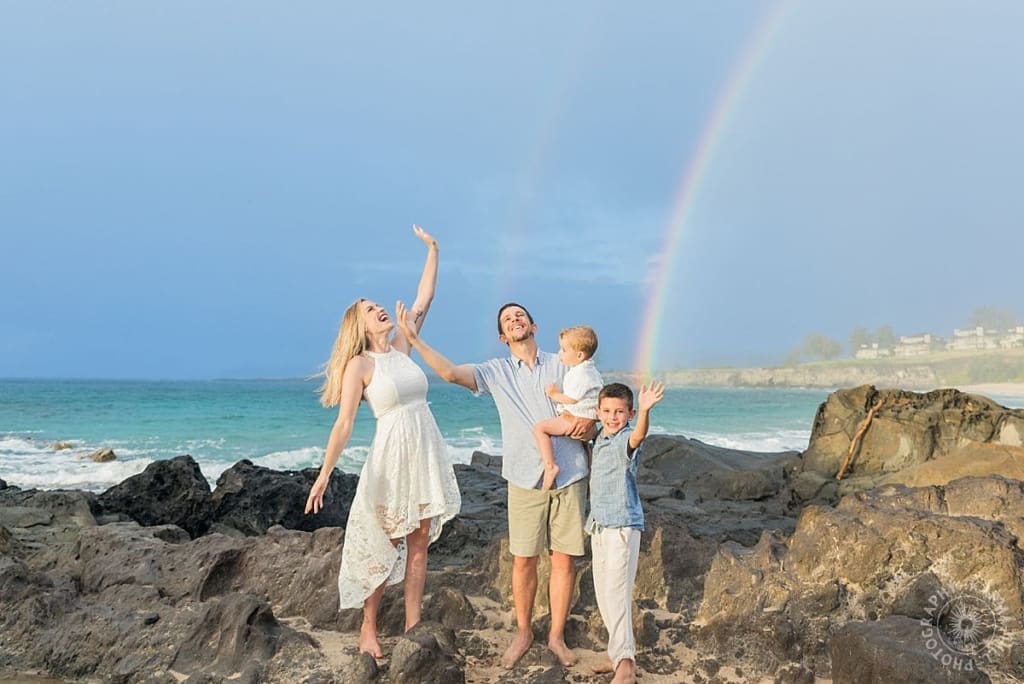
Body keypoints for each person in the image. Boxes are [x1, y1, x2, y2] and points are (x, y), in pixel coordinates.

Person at [395, 301, 593, 669]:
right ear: (503, 336)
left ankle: (556, 636)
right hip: (523, 475)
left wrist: (592, 427)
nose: (515, 320)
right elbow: (452, 374)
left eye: (520, 315)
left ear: (534, 325)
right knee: (523, 560)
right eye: (507, 319)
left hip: (571, 471)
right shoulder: (496, 371)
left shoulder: (564, 364)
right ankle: (523, 632)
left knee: (564, 560)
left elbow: (593, 406)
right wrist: (414, 340)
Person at [304, 225, 461, 659]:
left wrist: (433, 249)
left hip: (424, 447)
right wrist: (323, 475)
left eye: (378, 305)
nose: (379, 309)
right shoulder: (360, 364)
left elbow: (425, 297)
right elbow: (344, 423)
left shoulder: (403, 348)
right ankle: (368, 627)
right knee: (385, 540)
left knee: (419, 540)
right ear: (360, 323)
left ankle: (412, 624)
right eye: (371, 308)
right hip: (391, 456)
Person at [587, 381, 665, 684]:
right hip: (599, 525)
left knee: (617, 595)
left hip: (622, 528)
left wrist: (645, 411)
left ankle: (627, 664)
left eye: (619, 411)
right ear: (598, 412)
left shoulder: (623, 442)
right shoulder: (600, 440)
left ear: (629, 413)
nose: (612, 416)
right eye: (606, 411)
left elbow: (638, 435)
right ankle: (616, 654)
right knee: (604, 595)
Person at [533, 325, 603, 490]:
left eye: (564, 350)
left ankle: (550, 467)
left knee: (539, 429)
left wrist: (553, 393)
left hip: (574, 420)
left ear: (579, 355)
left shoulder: (580, 374)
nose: (559, 353)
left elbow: (571, 399)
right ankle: (592, 474)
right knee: (586, 446)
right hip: (589, 423)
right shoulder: (593, 371)